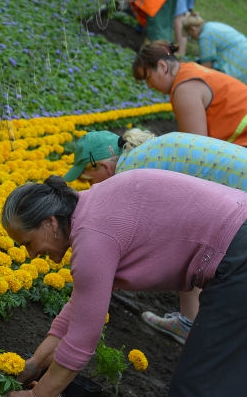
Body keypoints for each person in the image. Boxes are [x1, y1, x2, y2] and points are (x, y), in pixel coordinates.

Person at [1, 172, 247, 397]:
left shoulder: (93, 237)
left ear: (50, 223)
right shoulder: (94, 208)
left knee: (199, 388)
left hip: (239, 256)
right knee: (227, 378)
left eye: (28, 243)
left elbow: (82, 338)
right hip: (239, 233)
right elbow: (82, 307)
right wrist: (35, 364)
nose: (31, 255)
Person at [63, 128, 247, 344]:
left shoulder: (131, 174)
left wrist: (96, 279)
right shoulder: (150, 152)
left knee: (188, 245)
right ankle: (188, 322)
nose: (90, 187)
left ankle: (191, 326)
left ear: (104, 167)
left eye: (88, 180)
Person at [133, 40, 247, 147]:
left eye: (148, 78)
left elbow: (195, 148)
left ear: (163, 66)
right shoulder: (189, 70)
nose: (149, 86)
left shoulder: (184, 89)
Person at [183, 12, 247, 83]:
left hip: (239, 63)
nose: (192, 38)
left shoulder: (205, 36)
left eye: (189, 36)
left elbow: (205, 67)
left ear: (192, 30)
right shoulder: (211, 25)